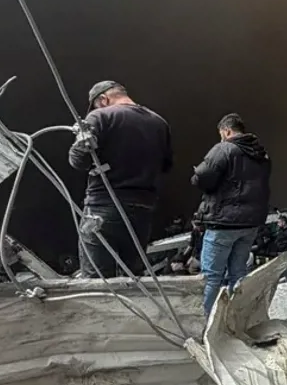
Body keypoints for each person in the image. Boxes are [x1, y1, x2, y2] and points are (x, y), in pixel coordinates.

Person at [68, 81, 172, 278]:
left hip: (104, 206)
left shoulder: (100, 116)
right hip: (142, 210)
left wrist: (80, 138)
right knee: (132, 278)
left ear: (103, 99)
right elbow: (165, 165)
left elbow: (79, 161)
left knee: (97, 281)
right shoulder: (159, 122)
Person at [190, 113, 271, 315]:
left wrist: (197, 177)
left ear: (226, 131)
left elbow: (202, 177)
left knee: (210, 277)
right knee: (239, 273)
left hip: (223, 222)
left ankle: (204, 323)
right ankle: (238, 318)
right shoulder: (261, 154)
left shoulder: (224, 149)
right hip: (250, 223)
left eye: (221, 134)